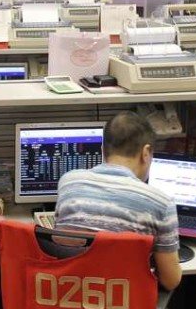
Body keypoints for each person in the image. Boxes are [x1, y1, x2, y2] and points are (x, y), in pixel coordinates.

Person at [54, 111, 181, 292]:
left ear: (102, 150)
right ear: (146, 153)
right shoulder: (161, 203)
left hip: (71, 301)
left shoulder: (68, 183)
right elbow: (170, 280)